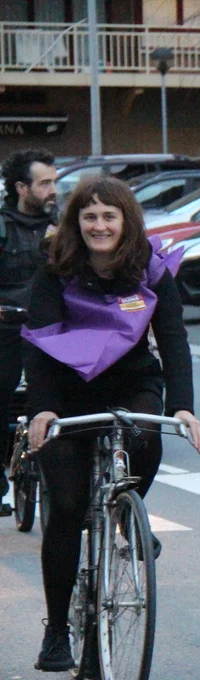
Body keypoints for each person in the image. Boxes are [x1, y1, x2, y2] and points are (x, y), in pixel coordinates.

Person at [22, 175, 200, 674]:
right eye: (89, 216)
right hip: (67, 393)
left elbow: (173, 340)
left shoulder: (150, 270)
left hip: (131, 384)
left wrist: (183, 407)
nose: (99, 225)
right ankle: (57, 631)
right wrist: (43, 408)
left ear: (127, 222)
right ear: (76, 223)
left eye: (109, 216)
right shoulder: (55, 270)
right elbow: (38, 344)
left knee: (147, 436)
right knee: (66, 507)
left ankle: (127, 509)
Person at [0, 149, 57, 496]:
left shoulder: (64, 225)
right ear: (22, 188)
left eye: (55, 182)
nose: (53, 190)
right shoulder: (2, 225)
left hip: (50, 329)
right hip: (8, 327)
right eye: (45, 183)